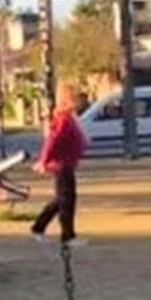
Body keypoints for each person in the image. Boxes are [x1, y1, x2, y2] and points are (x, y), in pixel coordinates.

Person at [30, 81, 88, 245]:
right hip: (62, 165)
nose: (79, 102)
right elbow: (52, 141)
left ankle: (38, 227)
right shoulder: (62, 118)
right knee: (66, 200)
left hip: (67, 164)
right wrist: (43, 161)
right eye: (75, 98)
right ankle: (67, 236)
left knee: (61, 199)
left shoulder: (68, 118)